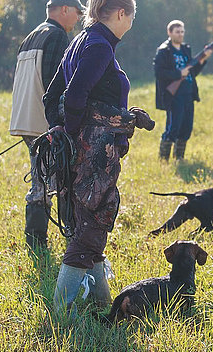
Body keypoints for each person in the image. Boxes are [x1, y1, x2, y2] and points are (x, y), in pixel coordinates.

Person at [43, 0, 154, 314]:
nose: (131, 22)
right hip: (94, 153)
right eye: (131, 16)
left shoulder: (81, 41)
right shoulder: (99, 47)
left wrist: (61, 129)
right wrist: (77, 135)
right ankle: (61, 311)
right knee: (94, 222)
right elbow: (75, 94)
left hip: (84, 149)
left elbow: (52, 96)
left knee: (89, 221)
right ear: (122, 14)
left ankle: (101, 302)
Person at [9, 0, 84, 252]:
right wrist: (63, 122)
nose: (79, 17)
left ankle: (36, 241)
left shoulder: (31, 36)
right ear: (64, 9)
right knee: (61, 181)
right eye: (77, 11)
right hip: (46, 123)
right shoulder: (57, 36)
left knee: (41, 180)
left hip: (26, 120)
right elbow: (57, 85)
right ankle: (68, 238)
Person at [154, 20, 213, 161]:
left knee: (186, 128)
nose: (181, 35)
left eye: (182, 31)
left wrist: (203, 60)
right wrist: (178, 74)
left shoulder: (186, 49)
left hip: (188, 94)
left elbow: (193, 72)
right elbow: (159, 73)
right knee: (173, 128)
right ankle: (163, 161)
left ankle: (179, 159)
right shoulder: (164, 51)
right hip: (174, 95)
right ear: (170, 32)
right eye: (177, 32)